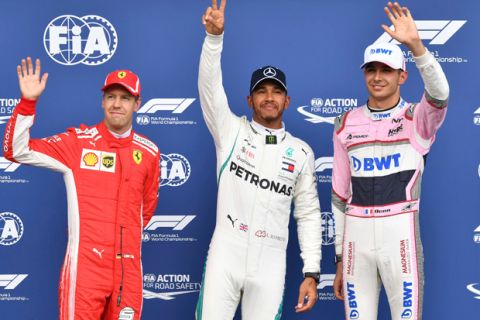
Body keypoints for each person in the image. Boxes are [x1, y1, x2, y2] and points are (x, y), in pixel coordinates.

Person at [3, 58, 160, 320]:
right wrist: (28, 103)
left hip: (129, 273)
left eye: (125, 97)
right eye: (111, 96)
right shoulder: (78, 143)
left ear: (137, 104)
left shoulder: (149, 152)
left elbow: (145, 209)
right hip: (86, 270)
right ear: (102, 101)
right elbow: (16, 150)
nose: (117, 104)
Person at [195, 1, 322, 319]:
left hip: (271, 261)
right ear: (249, 100)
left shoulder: (301, 152)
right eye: (261, 91)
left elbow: (307, 214)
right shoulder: (230, 131)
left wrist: (312, 271)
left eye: (276, 91)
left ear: (287, 100)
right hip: (226, 253)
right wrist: (213, 41)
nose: (269, 97)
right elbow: (210, 89)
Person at [331, 2, 449, 320]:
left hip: (401, 235)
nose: (377, 77)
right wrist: (340, 257)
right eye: (371, 69)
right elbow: (340, 195)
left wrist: (416, 46)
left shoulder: (416, 118)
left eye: (386, 70)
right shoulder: (344, 123)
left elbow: (439, 94)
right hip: (356, 239)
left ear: (402, 76)